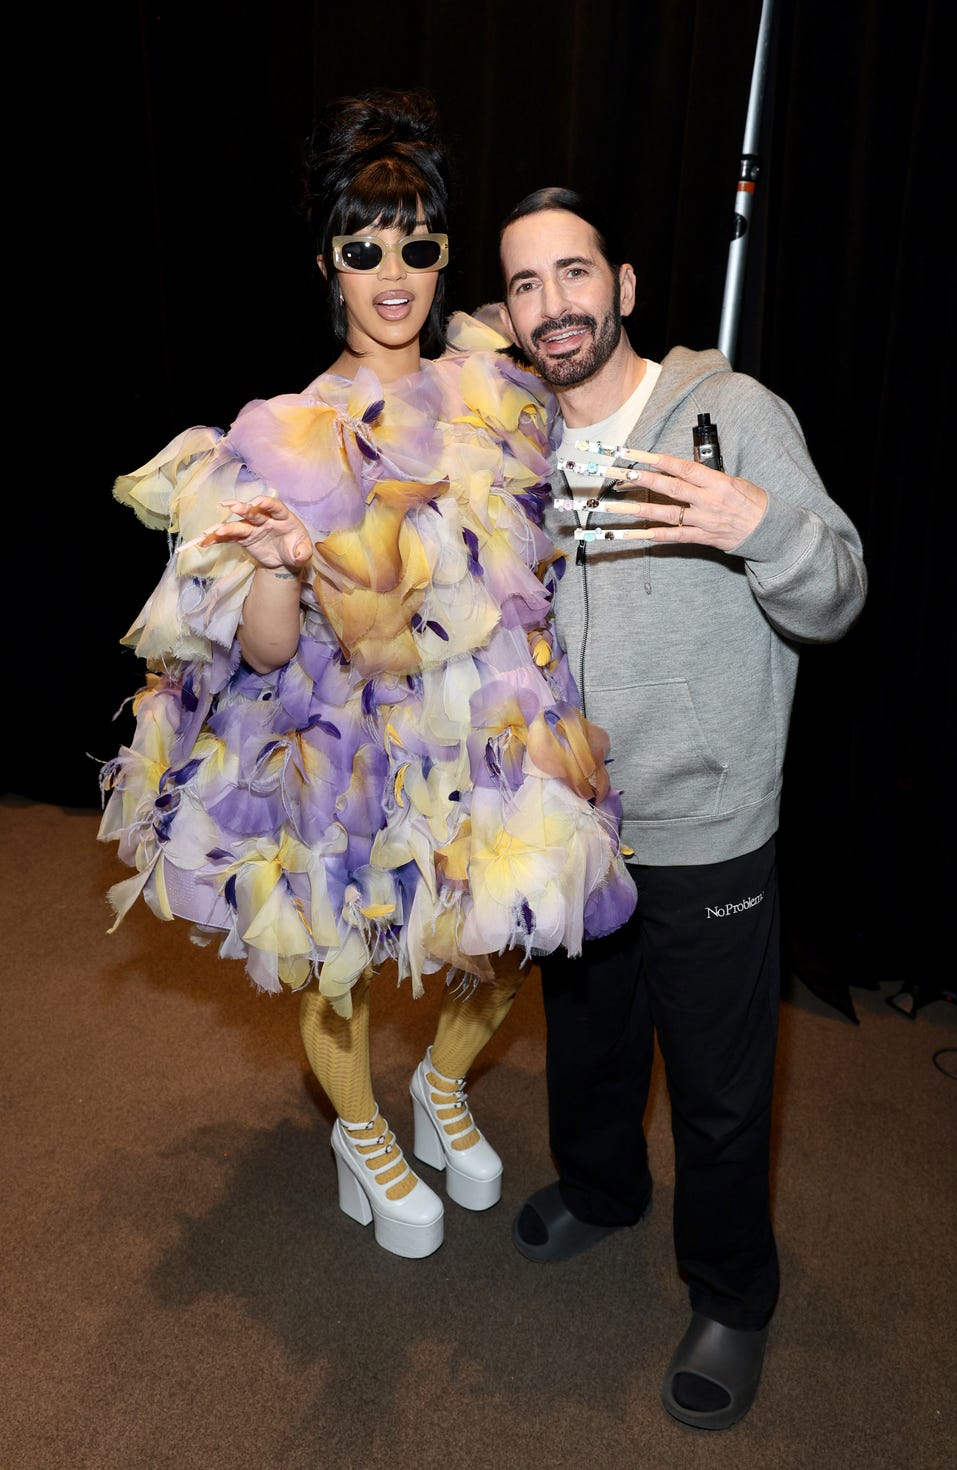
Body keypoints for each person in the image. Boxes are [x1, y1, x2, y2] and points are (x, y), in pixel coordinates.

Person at [99, 106, 635, 1262]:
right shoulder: (286, 429)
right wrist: (287, 563)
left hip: (481, 715)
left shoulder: (491, 381)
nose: (392, 275)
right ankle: (358, 1127)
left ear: (445, 259)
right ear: (327, 264)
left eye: (418, 244)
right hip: (342, 731)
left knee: (517, 925)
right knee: (331, 944)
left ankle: (442, 1088)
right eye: (363, 248)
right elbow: (273, 648)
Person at [492, 186, 867, 1428]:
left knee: (716, 1089)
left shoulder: (731, 413)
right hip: (575, 827)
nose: (555, 305)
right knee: (590, 1051)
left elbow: (837, 596)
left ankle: (730, 1296)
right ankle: (600, 1192)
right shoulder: (514, 440)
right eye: (527, 285)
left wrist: (756, 527)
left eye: (574, 274)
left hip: (709, 826)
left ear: (626, 286)